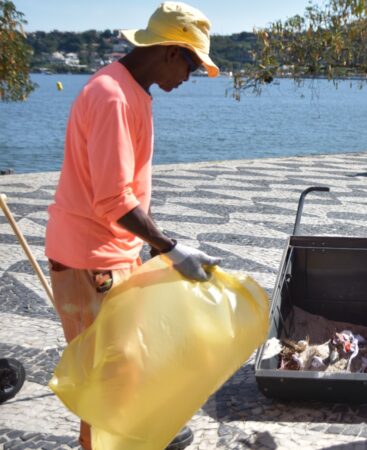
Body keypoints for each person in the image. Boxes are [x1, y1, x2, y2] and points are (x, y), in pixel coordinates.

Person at [44, 3, 221, 449]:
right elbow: (112, 200)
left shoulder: (129, 91)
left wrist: (149, 249)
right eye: (192, 64)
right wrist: (171, 249)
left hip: (110, 255)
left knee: (124, 373)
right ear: (168, 51)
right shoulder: (112, 97)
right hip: (90, 261)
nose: (190, 76)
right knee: (108, 384)